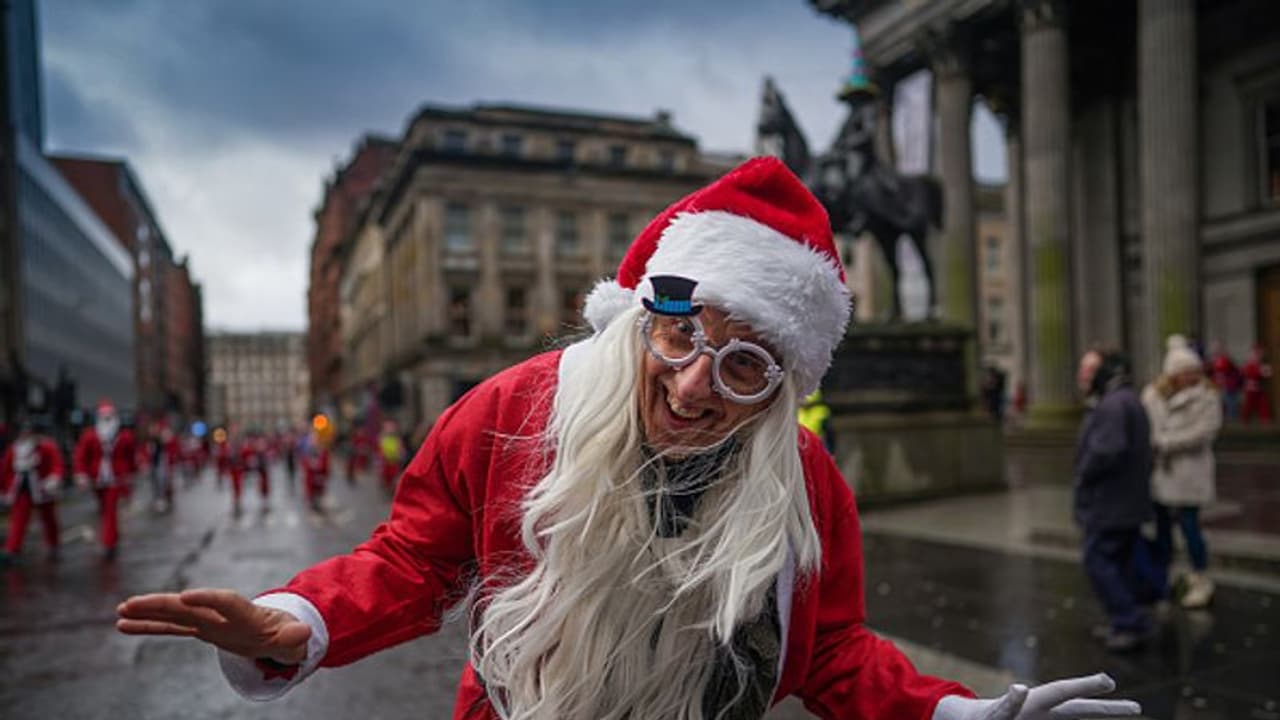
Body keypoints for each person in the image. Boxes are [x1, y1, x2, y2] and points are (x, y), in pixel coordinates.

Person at [116, 158, 1139, 720]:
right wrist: (298, 621)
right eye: (678, 334)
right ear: (642, 313)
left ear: (779, 391)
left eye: (743, 367)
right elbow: (414, 562)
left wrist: (947, 716)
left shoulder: (803, 478)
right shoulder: (516, 410)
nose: (693, 384)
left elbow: (827, 648)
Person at [1074, 349, 1155, 652]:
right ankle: (1124, 619)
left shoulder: (1112, 404)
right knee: (1119, 564)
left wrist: (1084, 475)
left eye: (1089, 370)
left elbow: (1106, 451)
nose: (1084, 376)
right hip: (1125, 502)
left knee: (1098, 561)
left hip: (1110, 504)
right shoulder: (1125, 399)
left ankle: (1129, 620)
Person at [1141, 336, 1222, 609]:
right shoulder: (1153, 396)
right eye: (1185, 372)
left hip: (1189, 473)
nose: (1191, 376)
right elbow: (1147, 427)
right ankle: (1163, 577)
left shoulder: (1208, 396)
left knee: (1190, 528)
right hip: (1162, 473)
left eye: (1194, 371)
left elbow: (1205, 432)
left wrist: (1165, 443)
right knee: (1162, 529)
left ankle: (1200, 577)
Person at [73, 401, 138, 561]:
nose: (107, 419)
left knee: (110, 509)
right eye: (104, 416)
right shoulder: (90, 435)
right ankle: (112, 538)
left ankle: (108, 543)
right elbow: (81, 456)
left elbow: (131, 457)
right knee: (105, 509)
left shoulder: (125, 436)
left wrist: (130, 475)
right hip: (97, 480)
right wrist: (81, 474)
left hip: (116, 479)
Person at [0, 417, 65, 566]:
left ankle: (53, 544)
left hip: (42, 488)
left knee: (49, 518)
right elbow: (5, 471)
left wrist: (54, 478)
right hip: (21, 489)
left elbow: (57, 464)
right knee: (18, 520)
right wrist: (4, 489)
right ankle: (12, 548)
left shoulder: (47, 447)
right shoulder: (14, 449)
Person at [1206, 341, 1242, 421]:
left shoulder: (1227, 360)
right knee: (1216, 403)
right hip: (1217, 385)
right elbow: (1209, 373)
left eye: (1217, 349)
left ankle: (1232, 419)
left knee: (1231, 402)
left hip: (1228, 386)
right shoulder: (1211, 361)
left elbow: (1234, 372)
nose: (1215, 351)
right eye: (1214, 349)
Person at [1240, 344, 1273, 423]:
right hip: (1250, 390)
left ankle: (1265, 420)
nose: (1257, 357)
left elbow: (1268, 373)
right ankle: (1244, 420)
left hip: (1258, 389)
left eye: (1258, 355)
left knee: (1263, 404)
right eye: (1255, 354)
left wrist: (1263, 371)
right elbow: (1249, 373)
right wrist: (1261, 371)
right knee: (1248, 406)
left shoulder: (1260, 365)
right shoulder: (1249, 365)